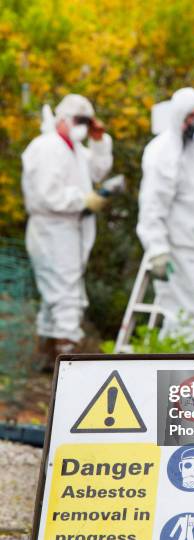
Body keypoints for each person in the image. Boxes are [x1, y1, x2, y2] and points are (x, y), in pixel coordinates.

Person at [22, 94, 113, 369]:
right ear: (62, 120)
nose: (83, 126)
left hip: (68, 228)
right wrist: (81, 200)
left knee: (57, 292)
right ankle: (68, 360)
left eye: (87, 121)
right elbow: (48, 194)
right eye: (79, 120)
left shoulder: (73, 148)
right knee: (66, 292)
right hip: (52, 228)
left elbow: (99, 171)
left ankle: (50, 357)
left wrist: (98, 140)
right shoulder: (47, 147)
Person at [137, 87, 194, 351]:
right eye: (192, 116)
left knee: (182, 318)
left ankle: (163, 374)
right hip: (179, 250)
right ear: (180, 118)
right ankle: (189, 381)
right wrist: (157, 249)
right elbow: (152, 205)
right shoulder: (163, 152)